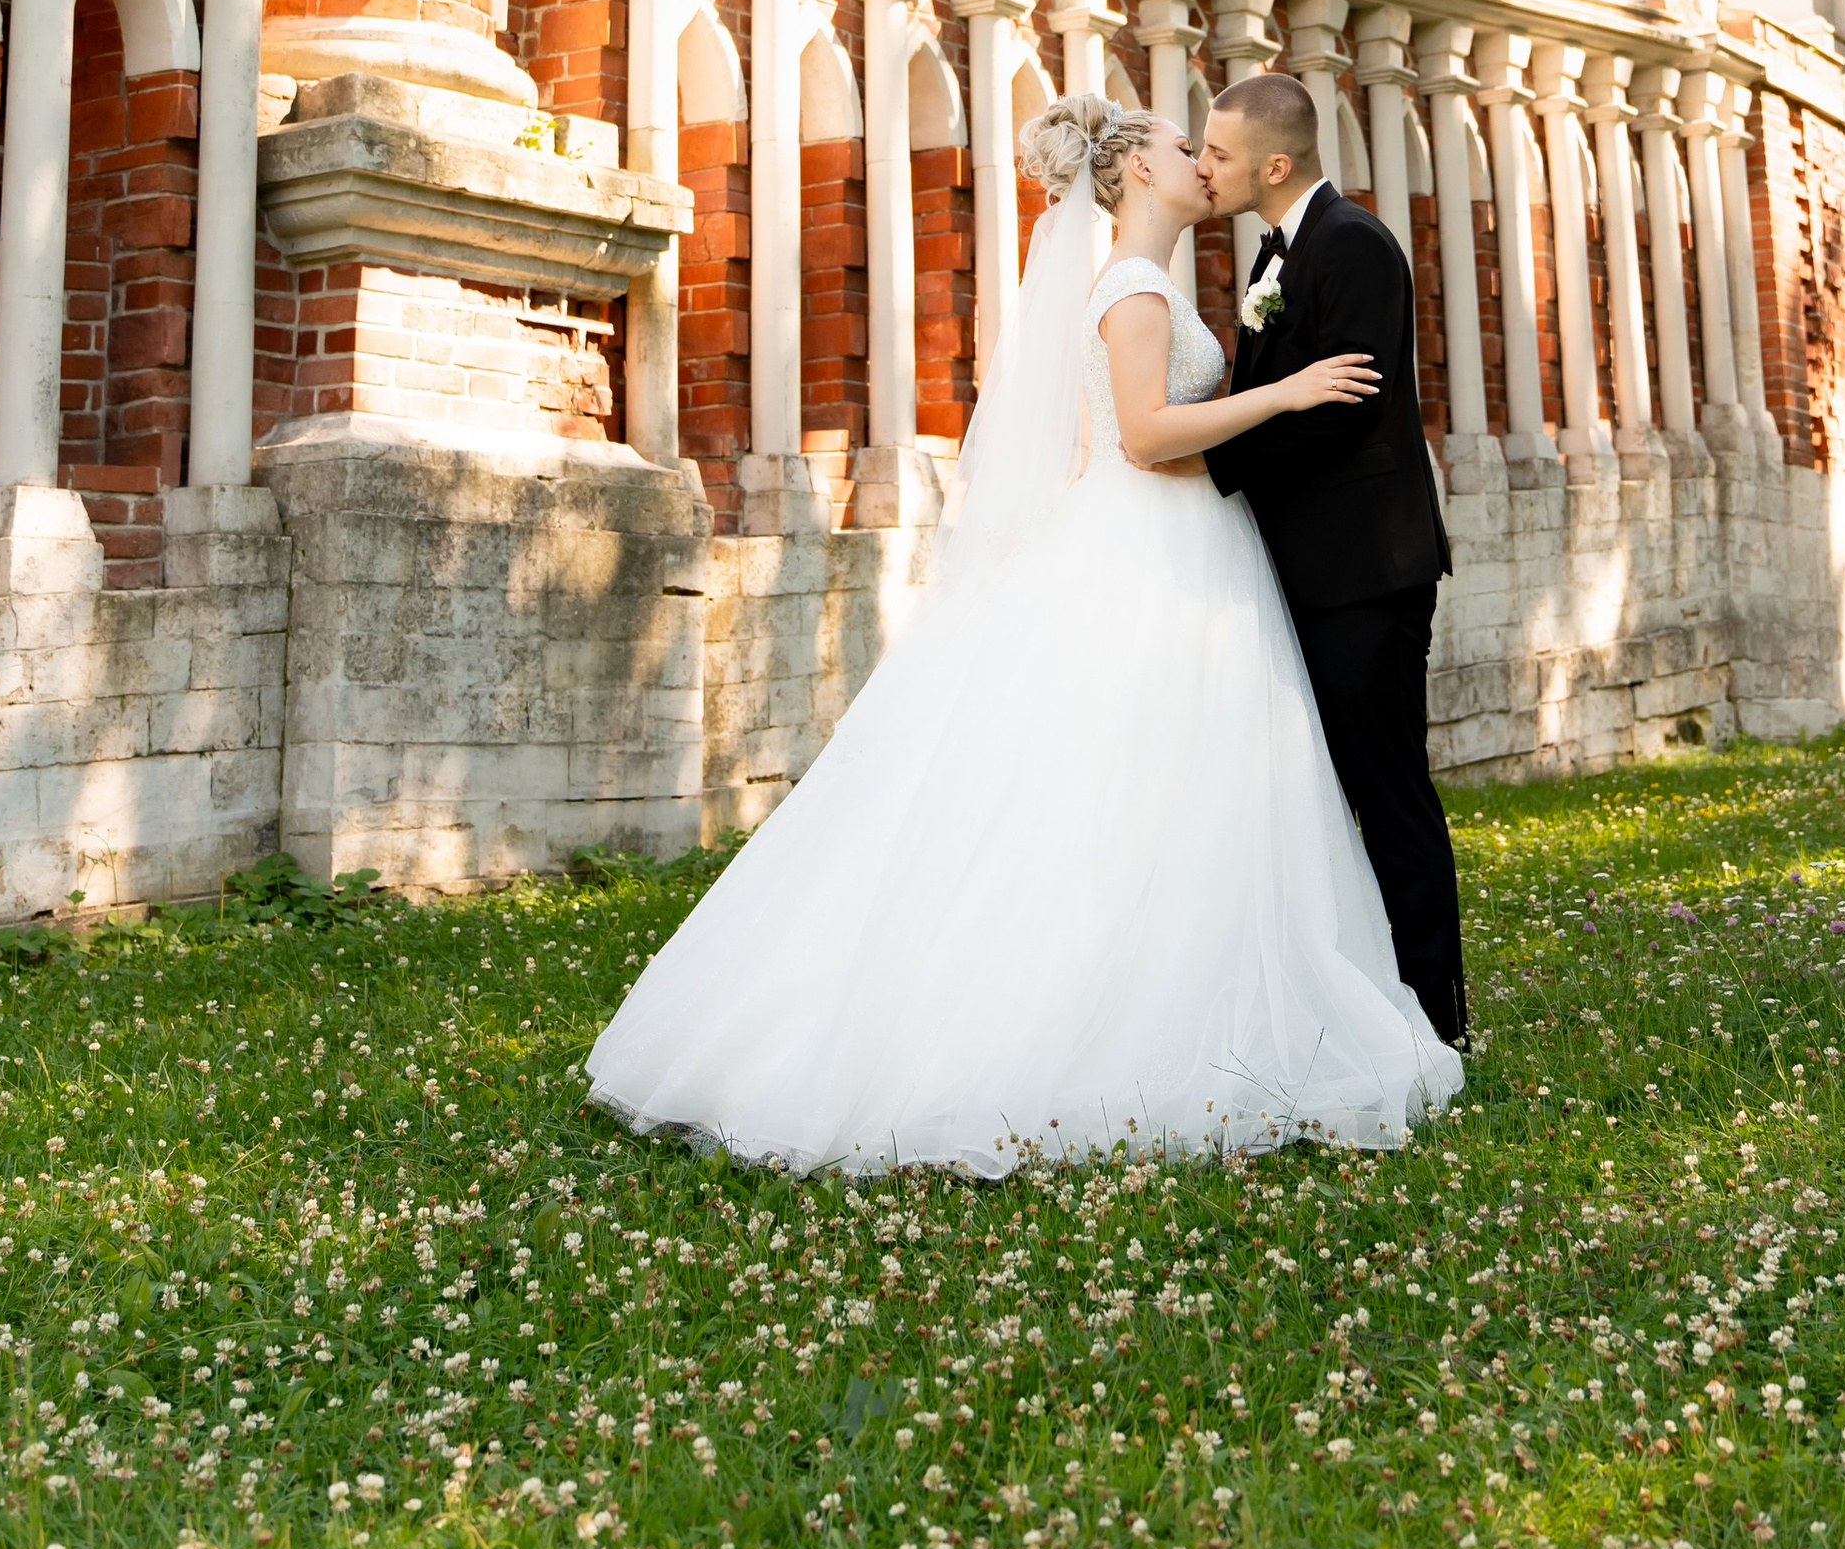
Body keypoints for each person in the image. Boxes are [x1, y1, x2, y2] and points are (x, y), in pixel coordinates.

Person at [583, 97, 1461, 1177]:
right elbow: (1140, 438)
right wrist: (1278, 397)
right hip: (1155, 543)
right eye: (1188, 148)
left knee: (1183, 793)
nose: (1202, 162)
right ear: (1136, 169)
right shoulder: (1133, 289)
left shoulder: (1168, 282)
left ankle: (1207, 982)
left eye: (1214, 147)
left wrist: (1255, 417)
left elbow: (1123, 433)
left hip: (1196, 544)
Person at [1197, 72, 1469, 1047]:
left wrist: (1202, 463)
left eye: (1218, 153)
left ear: (1275, 164)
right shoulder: (1277, 253)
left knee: (1386, 789)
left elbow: (1344, 408)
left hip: (1364, 573)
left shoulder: (1351, 245)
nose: (1204, 166)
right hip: (1303, 568)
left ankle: (1438, 1023)